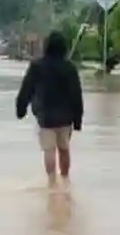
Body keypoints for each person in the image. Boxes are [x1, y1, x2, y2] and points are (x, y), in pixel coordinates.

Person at [15, 31, 84, 184]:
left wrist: (21, 108)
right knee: (64, 148)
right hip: (66, 116)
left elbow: (26, 89)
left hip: (45, 115)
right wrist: (78, 119)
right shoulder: (69, 67)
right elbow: (76, 94)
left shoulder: (37, 66)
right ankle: (65, 179)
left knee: (49, 150)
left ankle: (52, 182)